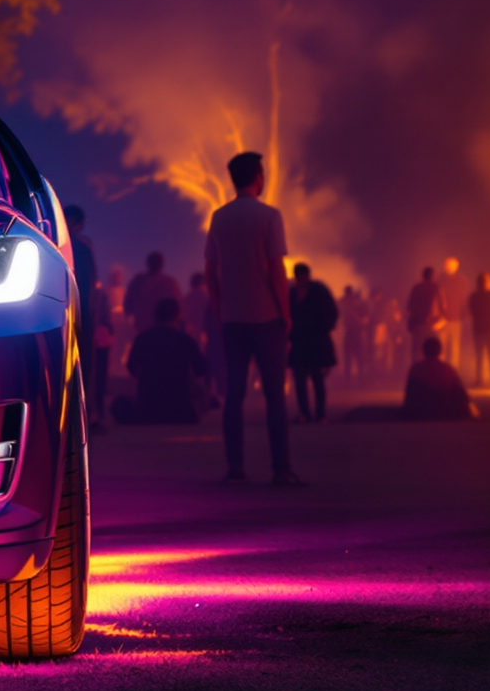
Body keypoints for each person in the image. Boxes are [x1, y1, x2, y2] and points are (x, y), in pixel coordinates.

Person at [204, 151, 297, 486]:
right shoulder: (270, 217)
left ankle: (236, 466)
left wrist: (220, 310)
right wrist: (285, 314)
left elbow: (209, 272)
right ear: (258, 177)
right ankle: (281, 469)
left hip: (233, 320)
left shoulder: (219, 217)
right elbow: (276, 268)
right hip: (267, 318)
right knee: (275, 396)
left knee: (234, 396)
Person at [113, 297, 207, 424]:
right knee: (203, 391)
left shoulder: (142, 338)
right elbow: (201, 369)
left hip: (148, 408)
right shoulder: (185, 340)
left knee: (118, 403)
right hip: (181, 409)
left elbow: (131, 367)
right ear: (177, 316)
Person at [62, 204, 109, 429]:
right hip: (82, 314)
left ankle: (73, 419)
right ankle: (85, 418)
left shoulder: (52, 244)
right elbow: (92, 284)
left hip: (62, 312)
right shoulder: (83, 246)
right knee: (84, 366)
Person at [287, 262, 338, 423]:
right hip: (300, 342)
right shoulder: (293, 293)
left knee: (316, 379)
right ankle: (305, 413)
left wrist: (324, 329)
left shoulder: (318, 291)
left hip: (314, 341)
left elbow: (332, 312)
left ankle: (319, 414)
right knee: (301, 380)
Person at [401, 335, 477, 420]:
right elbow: (461, 396)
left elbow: (409, 396)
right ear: (440, 351)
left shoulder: (416, 370)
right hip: (445, 412)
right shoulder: (449, 370)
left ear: (423, 351)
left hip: (421, 412)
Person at [124, 253, 181, 346]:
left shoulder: (138, 281)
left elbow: (128, 304)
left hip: (143, 327)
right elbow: (178, 304)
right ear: (162, 264)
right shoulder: (170, 282)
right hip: (165, 329)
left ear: (147, 263)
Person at [465, 272, 490, 387]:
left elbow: (472, 311)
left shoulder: (474, 296)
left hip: (482, 328)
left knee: (481, 356)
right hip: (489, 329)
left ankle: (483, 379)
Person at [406, 266, 445, 366]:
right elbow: (443, 307)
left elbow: (410, 307)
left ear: (423, 276)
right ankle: (432, 374)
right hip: (432, 325)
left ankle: (417, 374)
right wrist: (441, 322)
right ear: (433, 276)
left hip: (418, 325)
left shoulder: (416, 288)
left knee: (416, 352)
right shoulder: (437, 288)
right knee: (433, 352)